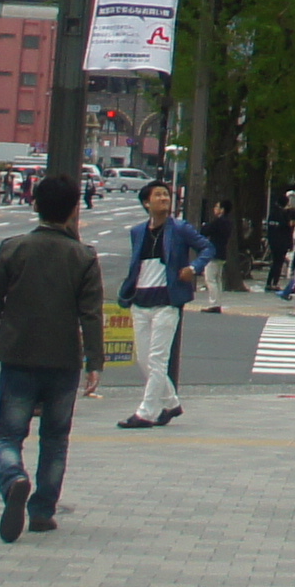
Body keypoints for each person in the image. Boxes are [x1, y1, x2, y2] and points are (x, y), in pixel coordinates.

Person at [0, 172, 107, 539]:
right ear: (74, 210)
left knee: (7, 435)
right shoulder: (83, 256)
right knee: (55, 438)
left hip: (18, 354)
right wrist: (94, 361)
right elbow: (91, 313)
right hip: (63, 359)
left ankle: (14, 478)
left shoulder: (13, 248)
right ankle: (43, 510)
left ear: (35, 204)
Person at [117, 180, 211, 428]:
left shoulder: (179, 229)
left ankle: (146, 412)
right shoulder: (138, 232)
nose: (164, 199)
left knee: (158, 358)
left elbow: (206, 247)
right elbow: (137, 265)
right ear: (146, 203)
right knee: (144, 360)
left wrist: (193, 268)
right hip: (140, 301)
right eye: (158, 195)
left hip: (167, 302)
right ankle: (171, 403)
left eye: (166, 195)